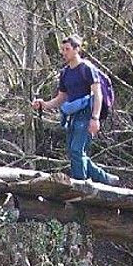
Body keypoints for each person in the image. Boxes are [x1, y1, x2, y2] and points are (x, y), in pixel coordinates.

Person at [31, 34, 119, 186]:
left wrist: (95, 118)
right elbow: (61, 98)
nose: (64, 53)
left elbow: (97, 95)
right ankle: (105, 178)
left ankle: (80, 184)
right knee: (74, 152)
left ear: (77, 49)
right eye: (62, 50)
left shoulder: (87, 69)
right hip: (72, 115)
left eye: (67, 49)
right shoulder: (65, 73)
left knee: (77, 150)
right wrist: (43, 104)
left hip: (87, 113)